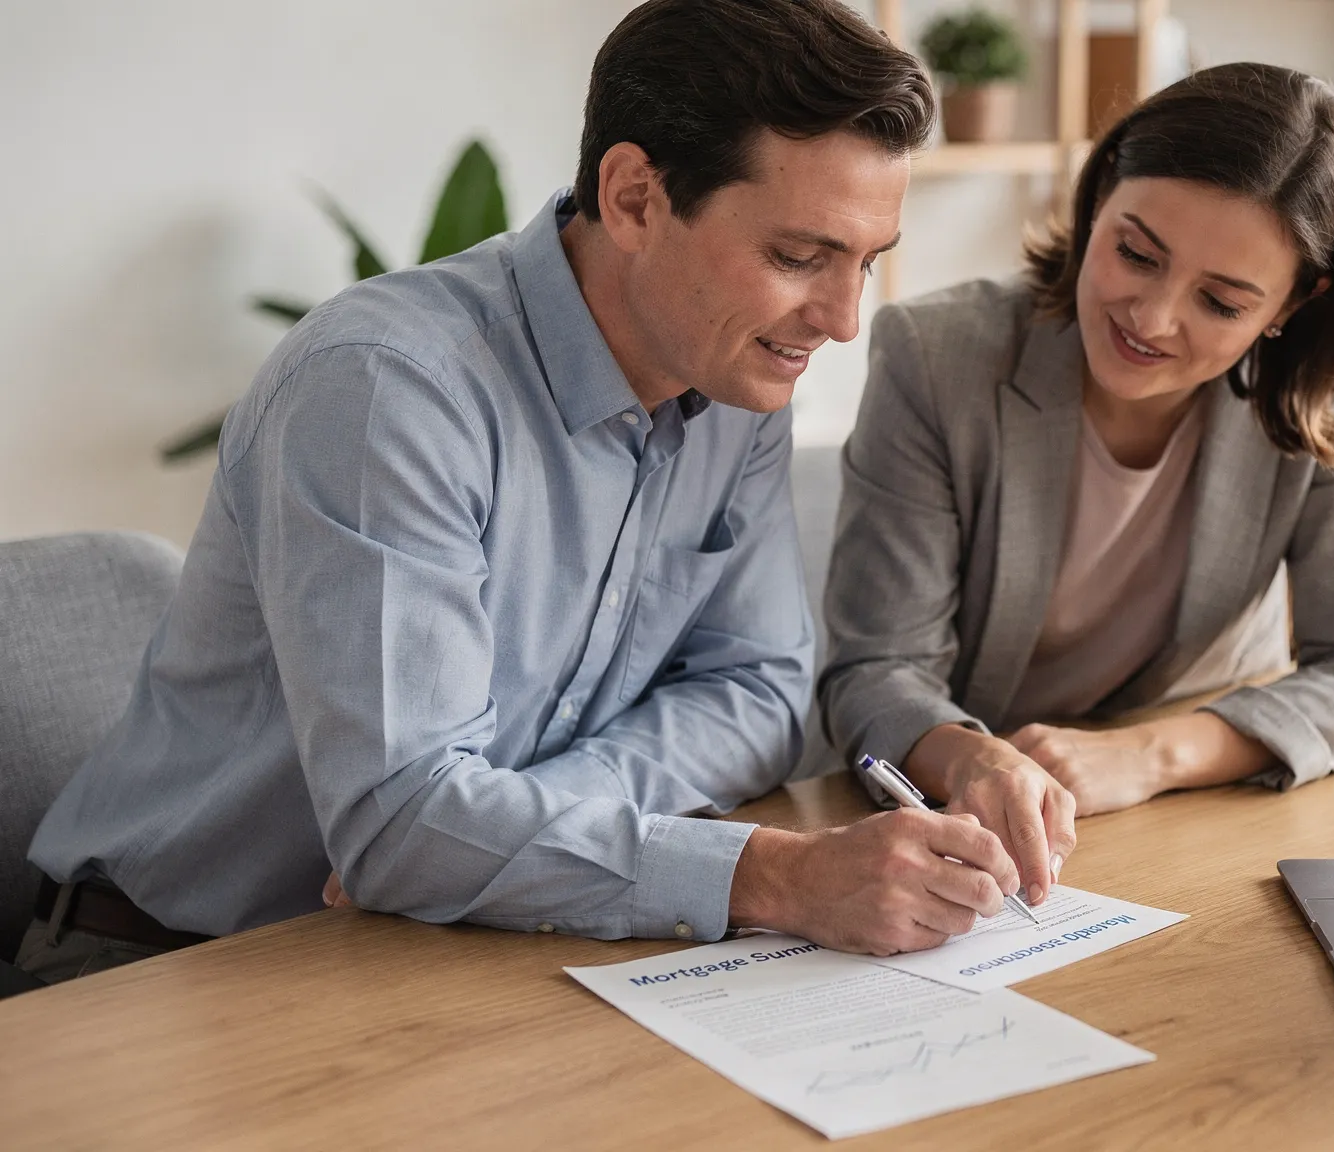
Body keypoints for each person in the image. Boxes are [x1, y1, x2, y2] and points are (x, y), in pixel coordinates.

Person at [21, 0, 1020, 985]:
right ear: (633, 197)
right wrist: (773, 874)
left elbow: (759, 691)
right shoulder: (384, 390)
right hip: (170, 970)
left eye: (865, 263)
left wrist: (503, 822)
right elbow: (405, 825)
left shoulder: (736, 382)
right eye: (797, 258)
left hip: (446, 946)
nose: (842, 320)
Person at [818, 63, 1334, 906]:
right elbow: (872, 671)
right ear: (1099, 192)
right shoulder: (937, 357)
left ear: (1295, 302)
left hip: (1197, 813)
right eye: (1135, 253)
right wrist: (974, 755)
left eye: (1221, 302)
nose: (1151, 319)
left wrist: (1151, 756)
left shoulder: (1328, 379)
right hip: (989, 829)